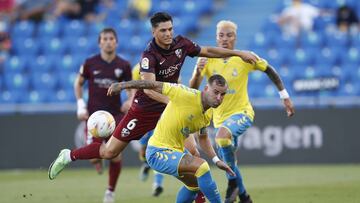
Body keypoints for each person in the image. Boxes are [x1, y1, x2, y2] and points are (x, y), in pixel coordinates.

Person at [48, 11, 257, 186]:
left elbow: (208, 50)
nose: (168, 34)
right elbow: (148, 88)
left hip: (170, 109)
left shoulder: (181, 44)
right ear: (154, 31)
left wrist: (238, 53)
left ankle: (198, 195)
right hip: (144, 110)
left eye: (170, 29)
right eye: (163, 30)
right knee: (109, 151)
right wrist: (172, 102)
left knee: (193, 152)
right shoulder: (149, 55)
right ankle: (69, 156)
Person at [189, 20, 295, 203]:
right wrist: (198, 73)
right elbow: (193, 88)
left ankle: (232, 183)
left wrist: (284, 95)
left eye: (229, 35)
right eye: (221, 35)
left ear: (235, 37)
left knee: (221, 138)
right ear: (216, 37)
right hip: (220, 119)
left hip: (242, 113)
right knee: (229, 161)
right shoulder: (206, 59)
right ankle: (245, 197)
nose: (225, 39)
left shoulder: (245, 58)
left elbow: (269, 70)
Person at [107, 74, 235, 203]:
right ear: (206, 88)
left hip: (177, 151)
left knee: (194, 186)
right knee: (202, 166)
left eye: (223, 94)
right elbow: (152, 84)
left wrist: (216, 160)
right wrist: (122, 85)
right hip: (158, 152)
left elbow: (203, 137)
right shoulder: (184, 94)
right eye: (216, 92)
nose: (219, 98)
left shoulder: (208, 112)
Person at [72, 27, 133, 203]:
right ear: (99, 43)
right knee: (93, 156)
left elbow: (131, 88)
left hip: (115, 117)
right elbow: (78, 83)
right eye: (104, 39)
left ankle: (110, 192)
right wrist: (80, 105)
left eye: (111, 38)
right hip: (94, 118)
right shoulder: (90, 63)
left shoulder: (123, 65)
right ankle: (96, 162)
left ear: (116, 42)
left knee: (115, 154)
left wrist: (129, 100)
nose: (108, 41)